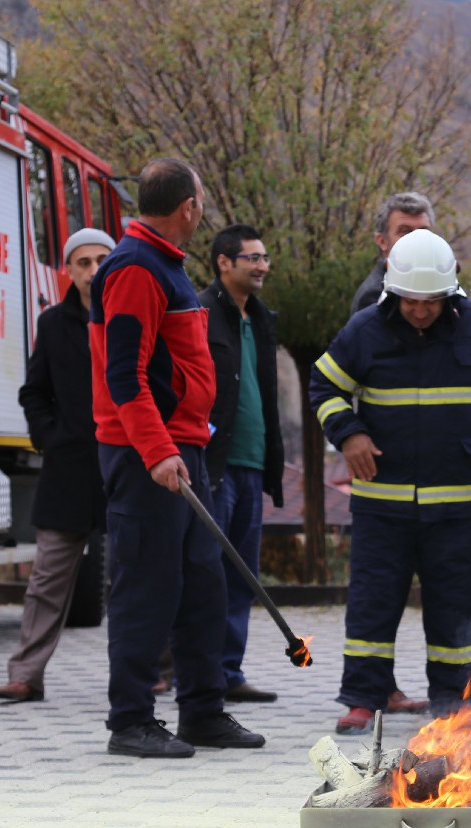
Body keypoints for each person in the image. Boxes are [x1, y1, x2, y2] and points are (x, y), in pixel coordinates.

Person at [311, 230, 471, 734]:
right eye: (410, 301)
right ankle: (363, 699)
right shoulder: (365, 330)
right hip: (381, 502)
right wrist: (348, 434)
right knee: (372, 602)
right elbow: (324, 385)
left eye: (430, 301)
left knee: (453, 606)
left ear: (449, 293)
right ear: (394, 292)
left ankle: (455, 699)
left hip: (454, 503)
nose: (419, 311)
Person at [89, 157, 265, 757]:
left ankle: (202, 711)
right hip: (148, 458)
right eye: (201, 200)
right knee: (146, 588)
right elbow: (123, 376)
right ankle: (131, 722)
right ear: (188, 207)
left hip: (183, 449)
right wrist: (159, 452)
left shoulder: (165, 265)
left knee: (201, 585)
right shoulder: (135, 268)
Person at [0, 228, 115, 703]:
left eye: (102, 259)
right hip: (67, 469)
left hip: (124, 464)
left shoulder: (131, 317)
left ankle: (155, 670)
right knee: (46, 579)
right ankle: (26, 674)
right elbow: (33, 392)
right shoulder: (53, 324)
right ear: (68, 269)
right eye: (82, 262)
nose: (93, 270)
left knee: (136, 574)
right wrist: (50, 437)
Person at [198, 224, 285, 704]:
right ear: (223, 262)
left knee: (242, 574)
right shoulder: (201, 312)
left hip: (252, 464)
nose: (262, 265)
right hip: (214, 462)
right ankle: (197, 671)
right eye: (252, 257)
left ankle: (229, 672)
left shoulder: (262, 319)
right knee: (207, 570)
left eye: (265, 257)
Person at [351, 191, 434, 314]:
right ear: (382, 241)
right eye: (405, 232)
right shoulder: (375, 296)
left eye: (423, 232)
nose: (417, 239)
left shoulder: (438, 285)